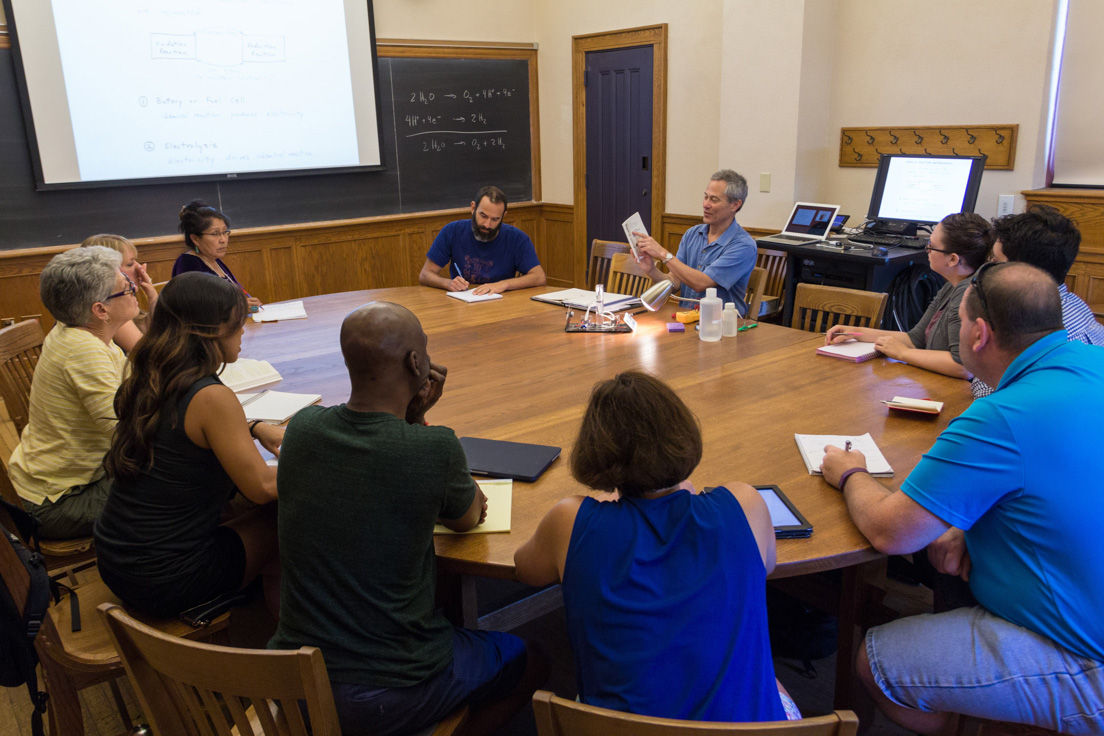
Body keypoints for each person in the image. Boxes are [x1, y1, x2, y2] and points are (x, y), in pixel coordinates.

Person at [820, 262, 1104, 735]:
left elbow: (891, 531)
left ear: (979, 335)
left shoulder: (999, 416)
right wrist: (966, 523)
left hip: (1084, 655)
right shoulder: (1093, 361)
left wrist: (850, 473)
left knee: (877, 662)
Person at [269, 301, 543, 736]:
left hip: (294, 680)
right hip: (388, 688)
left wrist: (410, 416)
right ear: (416, 362)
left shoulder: (303, 429)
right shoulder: (433, 448)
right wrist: (419, 422)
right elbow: (468, 517)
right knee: (530, 659)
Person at [514, 371, 797, 723]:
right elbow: (766, 565)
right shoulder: (745, 504)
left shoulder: (569, 520)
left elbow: (525, 568)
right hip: (746, 732)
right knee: (769, 679)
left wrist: (604, 502)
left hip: (617, 732)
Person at [94, 272, 282, 617]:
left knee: (240, 509)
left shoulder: (150, 373)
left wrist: (253, 427)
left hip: (117, 558)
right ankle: (285, 640)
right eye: (237, 321)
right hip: (167, 580)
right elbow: (264, 487)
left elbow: (181, 433)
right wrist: (326, 459)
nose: (243, 329)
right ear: (208, 330)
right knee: (287, 520)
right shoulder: (211, 397)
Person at [7, 246, 138, 539]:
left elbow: (136, 386)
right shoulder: (83, 350)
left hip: (67, 480)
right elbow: (126, 435)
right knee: (185, 480)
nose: (134, 287)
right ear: (100, 310)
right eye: (125, 287)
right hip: (58, 501)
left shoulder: (80, 331)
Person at [824, 212, 992, 380]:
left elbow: (962, 367)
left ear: (953, 259)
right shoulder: (952, 286)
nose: (927, 251)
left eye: (931, 246)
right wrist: (856, 333)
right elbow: (915, 338)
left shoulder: (967, 293)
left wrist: (904, 353)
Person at [972, 204, 1104, 397]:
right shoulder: (1073, 303)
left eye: (995, 262)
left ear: (1022, 272)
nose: (988, 269)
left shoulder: (1037, 328)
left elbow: (995, 396)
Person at [634, 169, 757, 315]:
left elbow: (701, 283)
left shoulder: (743, 245)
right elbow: (674, 282)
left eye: (714, 199)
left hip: (721, 326)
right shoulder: (693, 234)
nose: (706, 204)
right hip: (687, 320)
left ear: (735, 205)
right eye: (705, 197)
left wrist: (663, 254)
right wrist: (651, 270)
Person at [418, 185, 546, 295]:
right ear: (473, 208)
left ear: (503, 216)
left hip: (502, 302)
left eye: (495, 219)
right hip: (463, 302)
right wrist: (449, 283)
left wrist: (503, 285)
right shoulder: (452, 231)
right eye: (483, 216)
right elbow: (425, 275)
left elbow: (539, 277)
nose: (487, 225)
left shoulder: (517, 238)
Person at [172, 200, 262, 310]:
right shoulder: (188, 264)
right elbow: (197, 310)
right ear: (195, 238)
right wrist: (238, 307)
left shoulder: (214, 260)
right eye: (215, 234)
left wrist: (247, 302)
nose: (223, 240)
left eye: (225, 232)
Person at [80, 233, 158, 351]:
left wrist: (152, 296)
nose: (139, 268)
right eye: (130, 264)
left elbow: (151, 333)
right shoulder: (108, 308)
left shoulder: (118, 299)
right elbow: (148, 353)